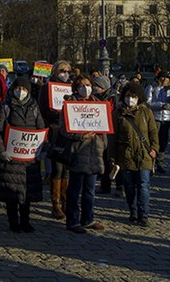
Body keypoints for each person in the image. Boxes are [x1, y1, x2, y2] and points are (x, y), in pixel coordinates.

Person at [0, 76, 45, 233]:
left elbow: (40, 128)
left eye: (24, 89)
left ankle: (26, 221)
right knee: (11, 192)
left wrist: (40, 147)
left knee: (26, 193)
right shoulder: (5, 105)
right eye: (18, 88)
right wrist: (1, 150)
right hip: (11, 156)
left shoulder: (34, 106)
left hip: (28, 157)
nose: (20, 92)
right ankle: (13, 222)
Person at [59, 76, 107, 233]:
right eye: (81, 86)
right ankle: (72, 221)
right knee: (74, 189)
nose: (85, 88)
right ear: (75, 88)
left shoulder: (98, 105)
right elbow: (64, 129)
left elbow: (105, 127)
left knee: (90, 190)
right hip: (78, 152)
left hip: (95, 153)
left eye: (87, 85)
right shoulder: (70, 105)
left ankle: (88, 219)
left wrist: (103, 145)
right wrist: (80, 136)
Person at [113, 82, 159, 227]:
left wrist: (154, 149)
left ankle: (143, 214)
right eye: (127, 96)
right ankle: (132, 211)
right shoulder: (118, 113)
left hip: (144, 154)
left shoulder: (146, 112)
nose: (130, 99)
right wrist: (113, 157)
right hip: (125, 155)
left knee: (143, 185)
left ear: (139, 97)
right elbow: (113, 136)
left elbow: (153, 132)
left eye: (133, 96)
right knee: (129, 186)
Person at [39, 60, 73, 220]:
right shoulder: (46, 88)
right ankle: (56, 204)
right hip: (54, 132)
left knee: (66, 169)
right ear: (55, 72)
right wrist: (56, 114)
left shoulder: (72, 87)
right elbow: (43, 110)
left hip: (69, 133)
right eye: (62, 70)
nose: (65, 73)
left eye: (67, 70)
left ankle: (66, 202)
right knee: (57, 168)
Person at [146, 73, 170, 174]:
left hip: (166, 118)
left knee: (163, 141)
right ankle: (151, 162)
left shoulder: (169, 90)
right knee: (153, 140)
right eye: (163, 78)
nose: (165, 80)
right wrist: (161, 105)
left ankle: (160, 162)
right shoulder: (151, 87)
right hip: (155, 117)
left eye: (167, 78)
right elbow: (148, 103)